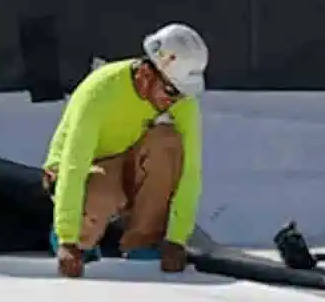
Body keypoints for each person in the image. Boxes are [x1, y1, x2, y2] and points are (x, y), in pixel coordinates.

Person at [42, 22, 207, 279]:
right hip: (83, 167)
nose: (173, 101)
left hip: (123, 159)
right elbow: (75, 162)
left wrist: (177, 239)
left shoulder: (181, 101)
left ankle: (142, 242)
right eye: (171, 91)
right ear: (147, 73)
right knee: (100, 193)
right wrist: (68, 239)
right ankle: (82, 237)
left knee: (167, 143)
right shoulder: (101, 89)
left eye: (181, 94)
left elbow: (191, 169)